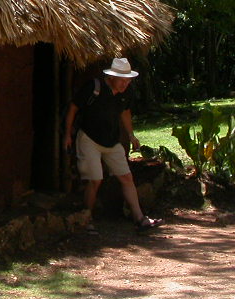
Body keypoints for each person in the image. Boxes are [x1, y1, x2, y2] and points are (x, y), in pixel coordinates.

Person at [63, 57, 163, 233]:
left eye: (128, 80)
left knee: (126, 177)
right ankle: (86, 218)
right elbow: (73, 108)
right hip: (89, 139)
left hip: (112, 141)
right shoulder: (94, 88)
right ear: (112, 77)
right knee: (95, 180)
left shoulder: (126, 93)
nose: (125, 84)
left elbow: (125, 112)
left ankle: (140, 218)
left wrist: (131, 135)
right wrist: (67, 135)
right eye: (122, 80)